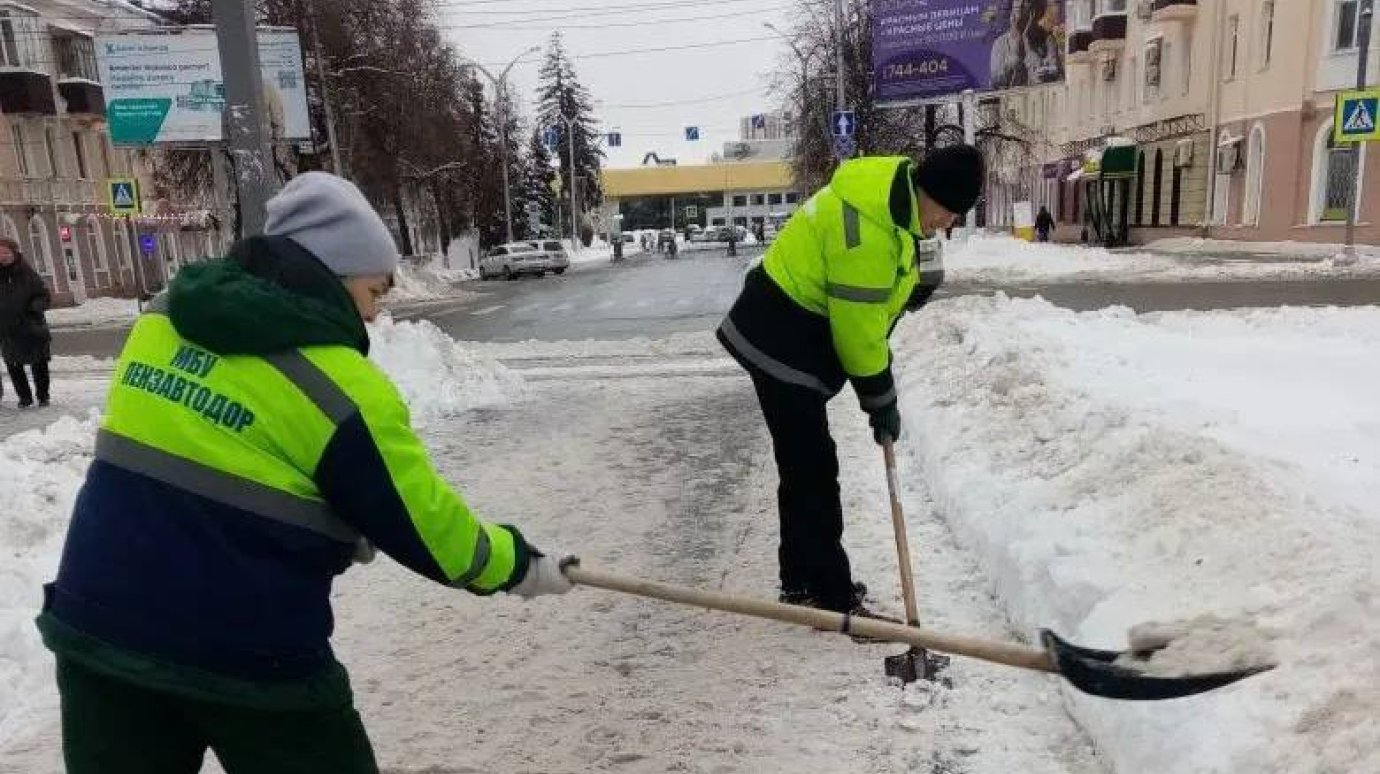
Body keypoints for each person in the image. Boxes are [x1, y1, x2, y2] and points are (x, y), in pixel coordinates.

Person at [37, 173, 576, 774]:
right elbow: (428, 530)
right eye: (376, 291)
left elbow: (206, 459)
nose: (375, 313)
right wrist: (518, 566)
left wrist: (326, 521)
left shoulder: (159, 324)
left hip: (98, 629)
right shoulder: (341, 389)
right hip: (249, 654)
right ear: (335, 279)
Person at [716, 147, 984, 616]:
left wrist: (909, 291)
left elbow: (878, 296)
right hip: (779, 338)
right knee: (814, 471)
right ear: (930, 194)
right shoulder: (867, 229)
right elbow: (858, 334)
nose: (948, 225)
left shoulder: (894, 203)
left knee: (802, 469)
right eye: (948, 213)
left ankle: (800, 581)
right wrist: (881, 401)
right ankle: (829, 594)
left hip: (789, 333)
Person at [0, 237, 52, 408]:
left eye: (6, 252)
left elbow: (44, 295)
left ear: (14, 253)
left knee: (39, 363)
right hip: (7, 328)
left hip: (30, 326)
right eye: (0, 253)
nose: (3, 256)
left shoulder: (27, 273)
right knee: (13, 365)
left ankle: (43, 396)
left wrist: (34, 308)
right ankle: (25, 398)